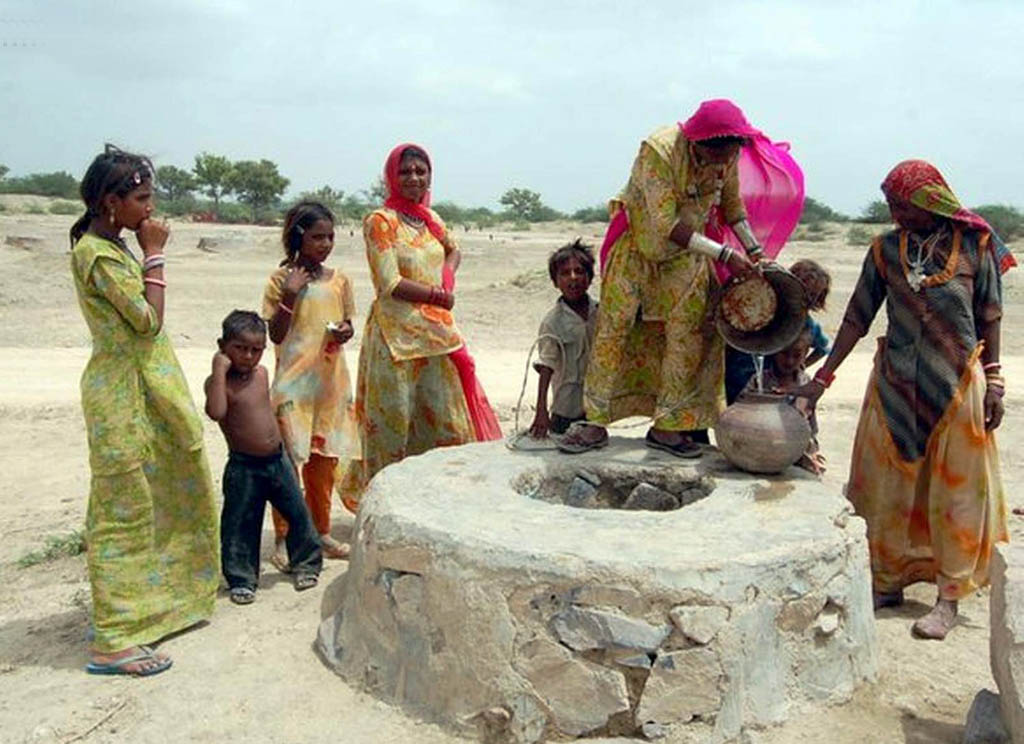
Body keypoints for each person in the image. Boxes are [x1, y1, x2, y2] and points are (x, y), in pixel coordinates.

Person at [797, 159, 1014, 640]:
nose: (895, 213)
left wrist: (995, 381)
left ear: (929, 201)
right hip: (894, 384)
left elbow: (991, 316)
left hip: (957, 385)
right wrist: (821, 380)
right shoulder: (885, 251)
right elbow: (857, 317)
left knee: (958, 494)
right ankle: (887, 580)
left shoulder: (975, 246)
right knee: (883, 489)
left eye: (903, 204)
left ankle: (948, 597)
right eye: (891, 204)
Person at [558, 99, 804, 457]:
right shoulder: (658, 150)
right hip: (639, 252)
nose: (723, 161)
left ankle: (668, 427)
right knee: (614, 332)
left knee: (687, 337)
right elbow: (664, 224)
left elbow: (733, 209)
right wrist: (725, 255)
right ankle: (594, 422)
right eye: (716, 153)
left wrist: (754, 252)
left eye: (731, 153)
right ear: (698, 143)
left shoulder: (727, 154)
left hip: (688, 257)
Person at [69, 145, 218, 677]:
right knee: (124, 512)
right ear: (112, 202)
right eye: (142, 199)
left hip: (146, 391)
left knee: (166, 493)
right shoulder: (99, 255)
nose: (150, 211)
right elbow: (147, 323)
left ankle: (153, 610)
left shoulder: (111, 245)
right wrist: (155, 253)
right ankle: (112, 640)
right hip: (123, 397)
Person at [347, 143, 500, 503]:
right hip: (395, 341)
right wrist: (436, 295)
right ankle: (384, 507)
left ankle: (437, 503)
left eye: (421, 171)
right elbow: (390, 283)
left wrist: (447, 277)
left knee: (446, 425)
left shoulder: (432, 219)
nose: (414, 178)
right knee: (392, 429)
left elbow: (453, 249)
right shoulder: (381, 222)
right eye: (405, 172)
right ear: (391, 177)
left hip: (437, 338)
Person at [261, 201, 358, 563]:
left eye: (331, 237)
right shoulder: (279, 280)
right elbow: (275, 333)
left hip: (330, 383)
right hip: (293, 384)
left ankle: (322, 532)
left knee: (323, 463)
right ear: (298, 236)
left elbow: (347, 322)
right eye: (318, 237)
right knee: (288, 464)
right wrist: (290, 292)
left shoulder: (340, 280)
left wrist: (346, 331)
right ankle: (284, 539)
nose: (326, 244)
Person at [204, 311, 323, 605]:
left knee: (297, 512)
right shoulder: (219, 383)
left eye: (256, 350)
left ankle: (306, 563)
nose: (248, 356)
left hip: (277, 460)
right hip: (245, 467)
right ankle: (242, 578)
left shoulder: (261, 374)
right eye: (240, 348)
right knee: (241, 522)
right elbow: (216, 412)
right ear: (223, 346)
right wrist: (218, 370)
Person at [725, 258, 832, 403]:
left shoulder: (806, 324)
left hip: (770, 385)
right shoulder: (763, 308)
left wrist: (801, 364)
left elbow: (823, 348)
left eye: (813, 295)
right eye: (802, 290)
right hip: (735, 376)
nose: (806, 298)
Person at [529, 240, 598, 438]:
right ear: (555, 281)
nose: (573, 278)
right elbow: (546, 367)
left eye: (579, 271)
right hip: (566, 410)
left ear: (590, 277)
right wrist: (541, 411)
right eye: (565, 273)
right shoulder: (553, 322)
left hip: (595, 410)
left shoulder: (601, 313)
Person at [738, 329, 824, 475]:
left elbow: (811, 423)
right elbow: (740, 410)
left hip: (799, 452)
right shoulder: (759, 381)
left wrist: (813, 451)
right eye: (784, 354)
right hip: (764, 448)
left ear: (805, 354)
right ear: (775, 351)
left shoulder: (806, 384)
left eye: (797, 355)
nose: (790, 361)